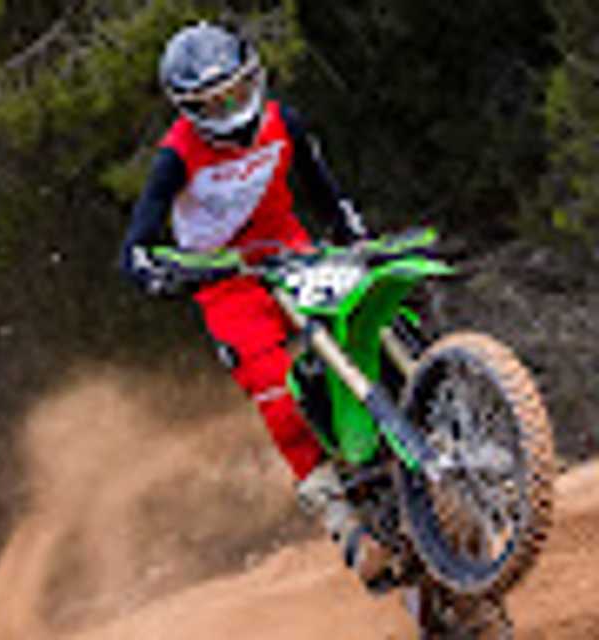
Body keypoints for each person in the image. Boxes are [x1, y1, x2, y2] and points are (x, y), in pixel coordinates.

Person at [120, 21, 390, 585]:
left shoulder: (283, 121)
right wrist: (161, 273)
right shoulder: (175, 156)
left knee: (371, 314)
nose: (230, 109)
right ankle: (342, 520)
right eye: (212, 103)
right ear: (187, 109)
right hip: (225, 280)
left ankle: (443, 418)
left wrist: (355, 239)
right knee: (276, 392)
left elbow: (326, 192)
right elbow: (136, 247)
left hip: (291, 251)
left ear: (255, 79)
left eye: (237, 92)